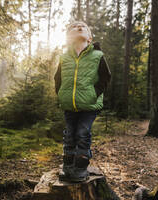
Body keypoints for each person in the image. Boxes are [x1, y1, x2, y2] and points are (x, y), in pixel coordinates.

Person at [54, 21, 111, 182]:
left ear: (90, 38)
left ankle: (80, 168)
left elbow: (106, 77)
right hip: (69, 104)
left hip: (89, 105)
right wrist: (60, 94)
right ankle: (67, 167)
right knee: (69, 135)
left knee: (82, 133)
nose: (78, 27)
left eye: (83, 27)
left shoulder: (97, 56)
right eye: (73, 27)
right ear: (68, 37)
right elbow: (57, 78)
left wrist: (94, 93)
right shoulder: (64, 57)